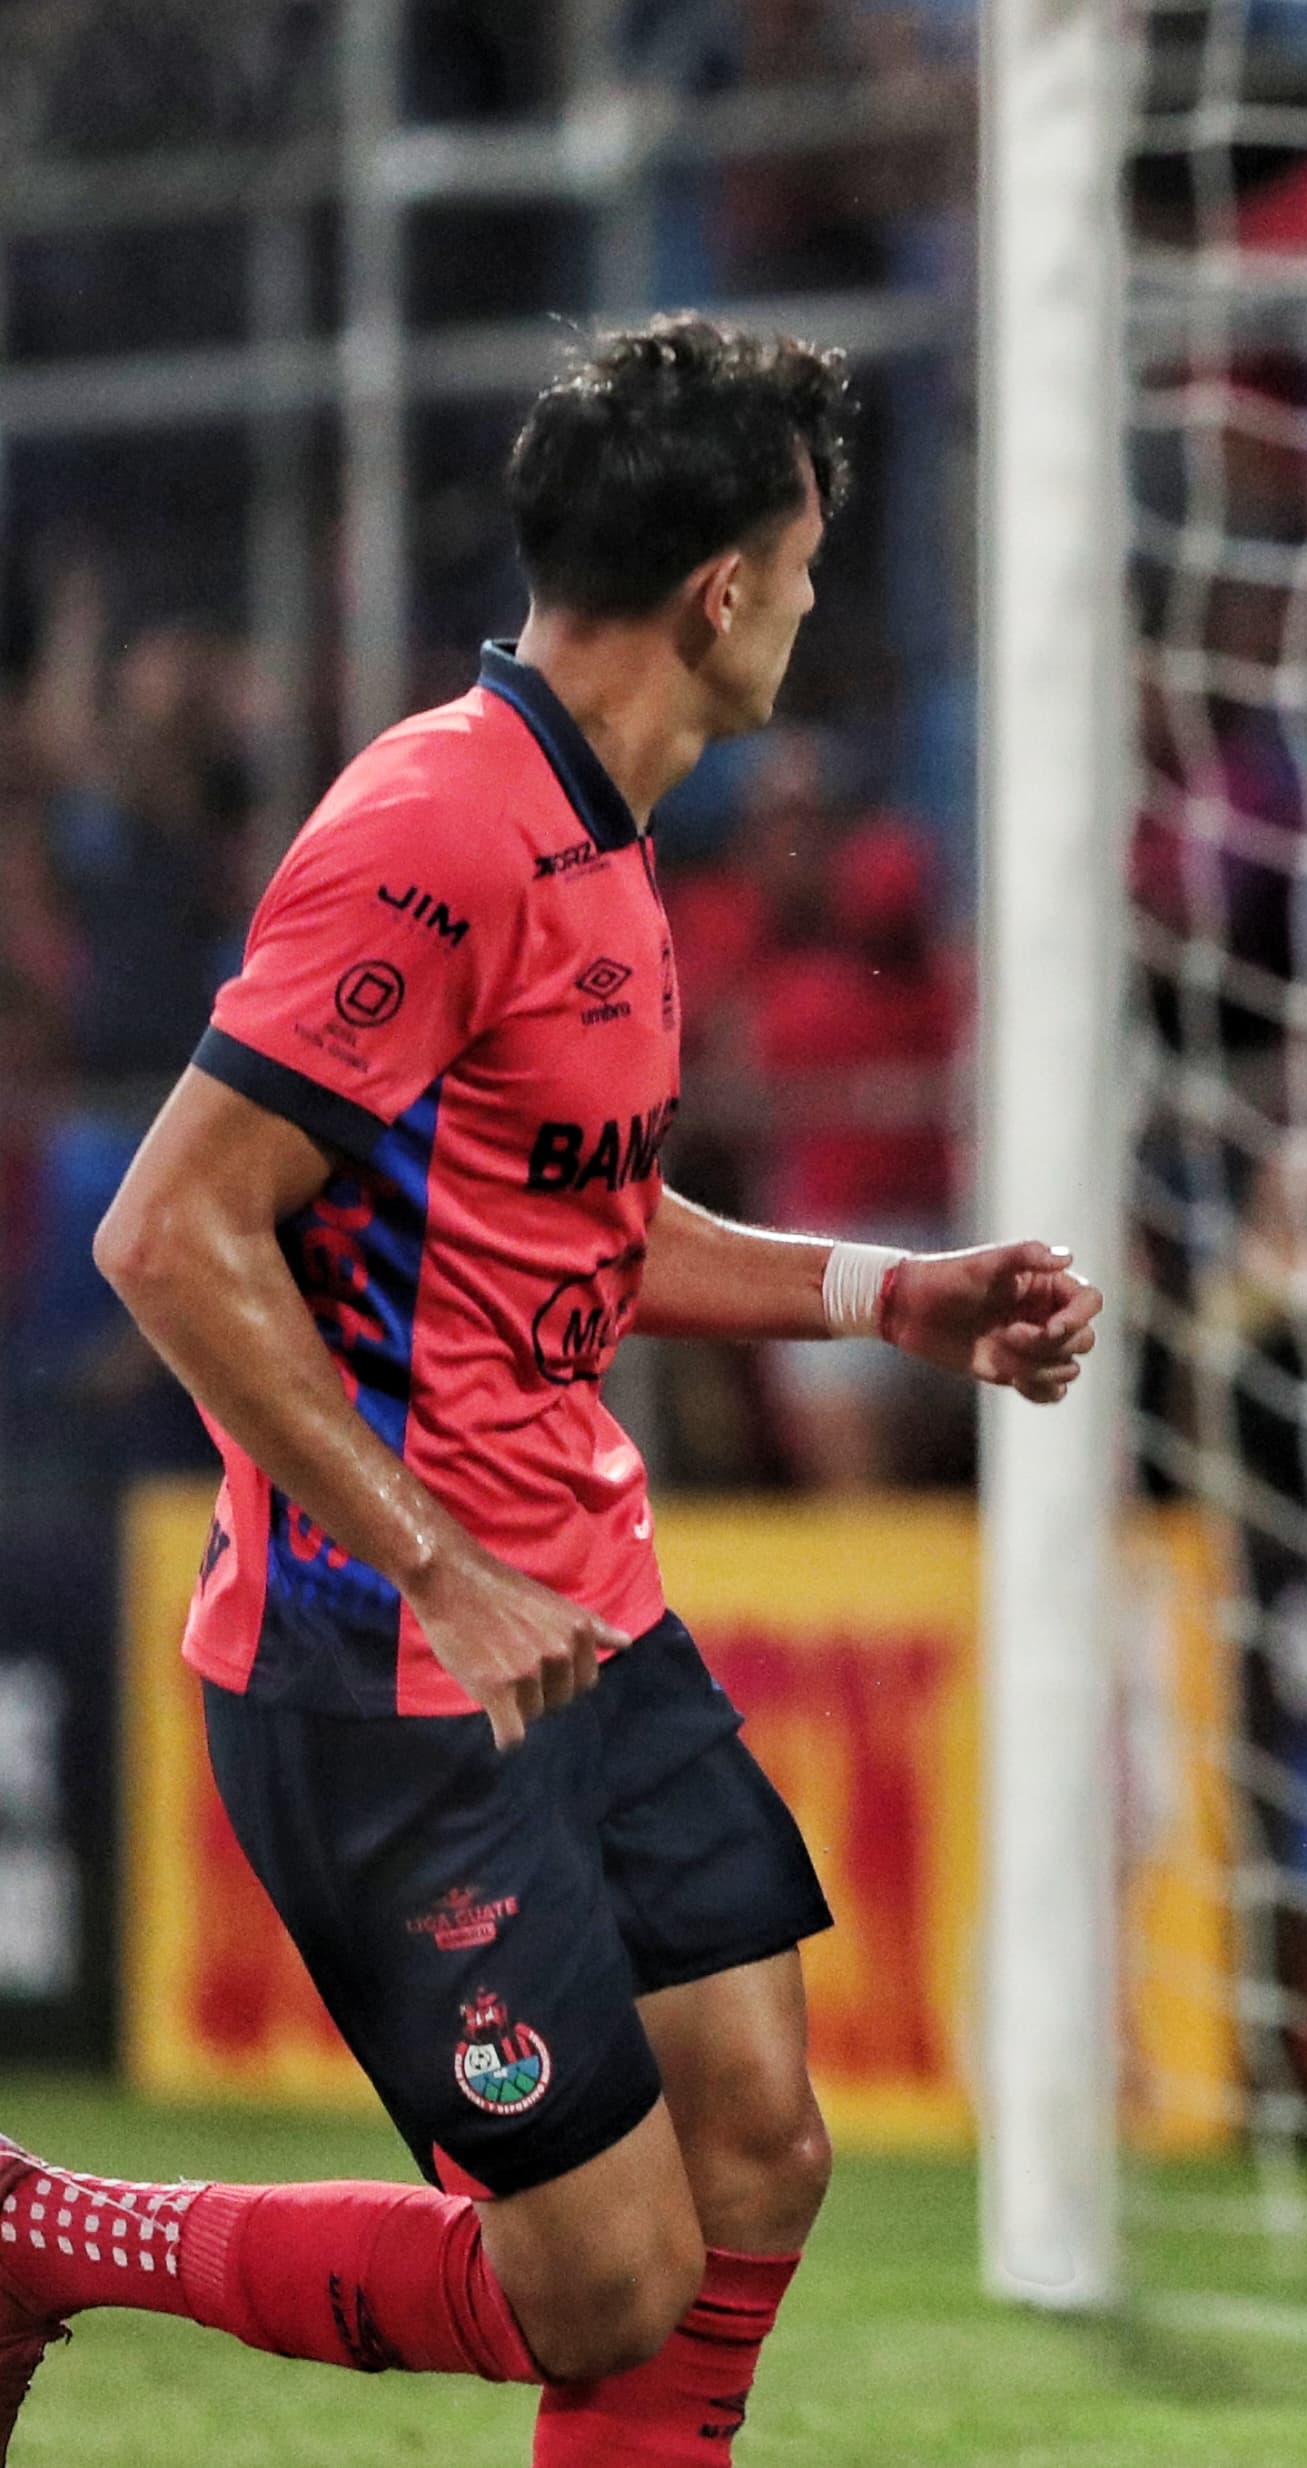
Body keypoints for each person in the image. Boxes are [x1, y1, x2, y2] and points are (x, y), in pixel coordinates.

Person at [8, 315, 1101, 2464]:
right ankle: (47, 2231)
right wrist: (442, 1571)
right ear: (721, 588)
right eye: (804, 555)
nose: (813, 595)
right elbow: (172, 1232)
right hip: (394, 1674)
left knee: (763, 2153)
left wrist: (889, 1299)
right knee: (601, 2279)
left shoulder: (607, 839)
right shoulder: (434, 832)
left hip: (580, 1619)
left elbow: (573, 1233)